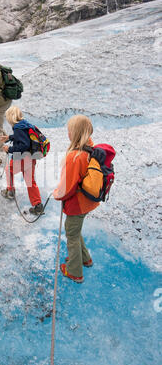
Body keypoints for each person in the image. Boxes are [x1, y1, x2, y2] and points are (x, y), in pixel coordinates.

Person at [53, 114, 100, 284]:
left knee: (71, 234)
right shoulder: (90, 148)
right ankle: (85, 259)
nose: (68, 133)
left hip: (77, 204)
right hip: (88, 202)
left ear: (76, 132)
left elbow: (67, 188)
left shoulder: (74, 157)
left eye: (69, 130)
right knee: (76, 230)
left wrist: (57, 194)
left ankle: (74, 271)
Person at [0, 106, 44, 215]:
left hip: (21, 158)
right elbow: (22, 137)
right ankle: (38, 206)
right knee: (30, 181)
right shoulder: (25, 124)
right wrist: (10, 138)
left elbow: (23, 144)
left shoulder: (18, 128)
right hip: (31, 158)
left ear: (11, 117)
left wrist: (9, 149)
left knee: (8, 170)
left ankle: (10, 191)